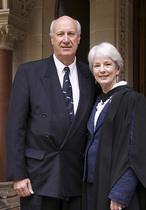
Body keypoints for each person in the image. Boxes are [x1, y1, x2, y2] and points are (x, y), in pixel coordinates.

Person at [6, 16, 95, 210]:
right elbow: (15, 127)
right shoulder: (28, 72)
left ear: (79, 38)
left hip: (76, 176)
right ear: (51, 39)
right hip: (38, 177)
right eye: (60, 34)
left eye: (71, 34)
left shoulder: (89, 75)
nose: (66, 39)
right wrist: (18, 174)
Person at [82, 42, 146, 210]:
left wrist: (121, 192)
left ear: (118, 68)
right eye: (97, 66)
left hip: (115, 188)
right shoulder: (96, 101)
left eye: (107, 64)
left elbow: (137, 150)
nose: (102, 70)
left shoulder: (133, 100)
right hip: (91, 185)